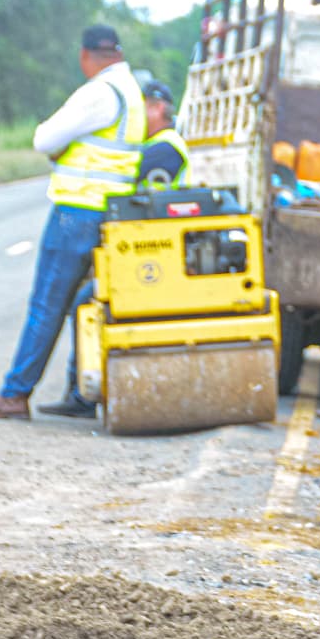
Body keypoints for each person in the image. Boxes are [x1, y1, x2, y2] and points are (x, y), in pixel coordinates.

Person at [0, 25, 145, 421]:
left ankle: (14, 395)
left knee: (47, 304)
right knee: (87, 305)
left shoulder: (99, 92)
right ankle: (83, 394)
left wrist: (60, 148)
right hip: (111, 214)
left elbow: (44, 139)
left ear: (85, 56)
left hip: (76, 212)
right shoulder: (131, 91)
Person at [41, 72, 192, 421]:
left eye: (143, 109)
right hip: (152, 250)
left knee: (85, 303)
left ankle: (83, 395)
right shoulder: (161, 146)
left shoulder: (164, 149)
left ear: (158, 109)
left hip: (155, 254)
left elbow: (130, 196)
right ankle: (83, 391)